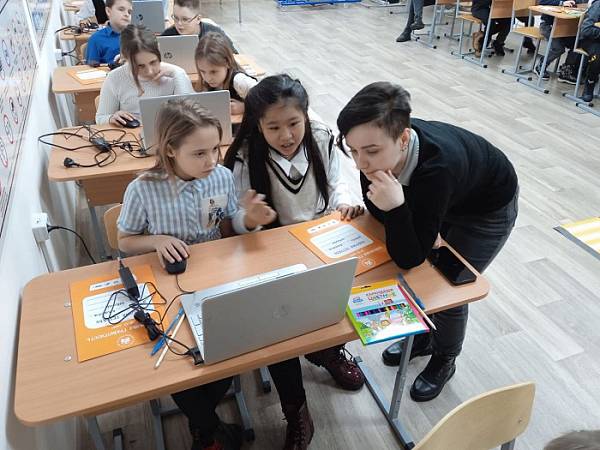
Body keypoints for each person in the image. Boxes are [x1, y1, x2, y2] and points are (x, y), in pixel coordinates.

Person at [118, 98, 316, 450]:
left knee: (244, 337)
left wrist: (248, 220)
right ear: (170, 150)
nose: (211, 160)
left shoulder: (220, 177)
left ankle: (207, 429)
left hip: (218, 277)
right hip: (171, 286)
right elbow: (124, 240)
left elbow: (226, 225)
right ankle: (208, 428)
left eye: (215, 149)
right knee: (177, 360)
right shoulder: (143, 188)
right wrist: (157, 240)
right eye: (199, 153)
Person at [336, 82, 519, 402]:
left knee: (448, 289)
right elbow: (380, 215)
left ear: (403, 139)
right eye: (353, 150)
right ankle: (423, 337)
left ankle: (445, 358)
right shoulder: (375, 150)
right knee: (422, 275)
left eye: (371, 151)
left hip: (485, 209)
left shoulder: (438, 169)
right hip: (448, 197)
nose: (361, 163)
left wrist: (399, 208)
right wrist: (402, 216)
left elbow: (409, 257)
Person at [224, 74, 366, 394]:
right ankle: (294, 405)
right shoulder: (245, 156)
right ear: (258, 125)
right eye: (273, 127)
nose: (286, 135)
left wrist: (344, 202)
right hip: (272, 249)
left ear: (305, 116)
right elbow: (235, 223)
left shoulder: (320, 136)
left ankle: (328, 352)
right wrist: (250, 220)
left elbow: (336, 181)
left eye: (293, 123)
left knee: (333, 302)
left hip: (319, 239)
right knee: (278, 329)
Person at [95, 24, 194, 126]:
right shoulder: (114, 78)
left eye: (153, 62)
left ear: (159, 49)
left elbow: (192, 117)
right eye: (140, 66)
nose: (149, 71)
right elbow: (100, 118)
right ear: (125, 57)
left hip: (168, 133)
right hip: (131, 134)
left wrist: (178, 73)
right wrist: (111, 118)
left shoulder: (175, 75)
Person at [195, 32, 256, 116]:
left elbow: (268, 100)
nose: (208, 78)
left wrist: (244, 107)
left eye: (213, 72)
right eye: (202, 71)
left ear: (227, 63)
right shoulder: (206, 82)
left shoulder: (240, 81)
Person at [534, 0, 587, 83]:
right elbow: (542, 2)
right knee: (558, 48)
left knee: (577, 44)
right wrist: (562, 3)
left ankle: (565, 72)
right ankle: (541, 65)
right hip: (548, 25)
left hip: (567, 26)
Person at [161, 0, 238, 53]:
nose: (179, 23)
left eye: (185, 19)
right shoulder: (167, 36)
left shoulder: (215, 34)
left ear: (198, 19)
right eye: (176, 18)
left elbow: (234, 56)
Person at [470, 0, 536, 56]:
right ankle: (481, 44)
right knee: (491, 22)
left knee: (512, 21)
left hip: (506, 6)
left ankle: (498, 43)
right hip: (481, 7)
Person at [86, 0, 132, 65]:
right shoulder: (96, 39)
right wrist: (115, 64)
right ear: (108, 11)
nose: (127, 14)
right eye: (121, 9)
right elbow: (91, 68)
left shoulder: (136, 36)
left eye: (129, 12)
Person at [578, 0, 600, 102]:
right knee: (597, 55)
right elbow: (586, 30)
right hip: (591, 40)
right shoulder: (598, 5)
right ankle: (590, 82)